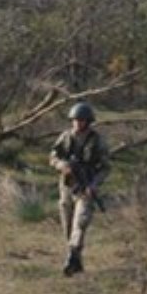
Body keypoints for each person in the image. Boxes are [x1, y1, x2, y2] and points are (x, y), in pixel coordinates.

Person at [48, 102, 109, 276]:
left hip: (85, 187)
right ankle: (76, 259)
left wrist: (94, 184)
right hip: (67, 185)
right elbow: (53, 156)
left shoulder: (97, 140)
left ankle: (71, 256)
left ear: (88, 121)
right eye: (75, 120)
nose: (78, 123)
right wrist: (61, 165)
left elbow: (106, 167)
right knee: (67, 223)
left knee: (80, 222)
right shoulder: (66, 137)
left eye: (81, 120)